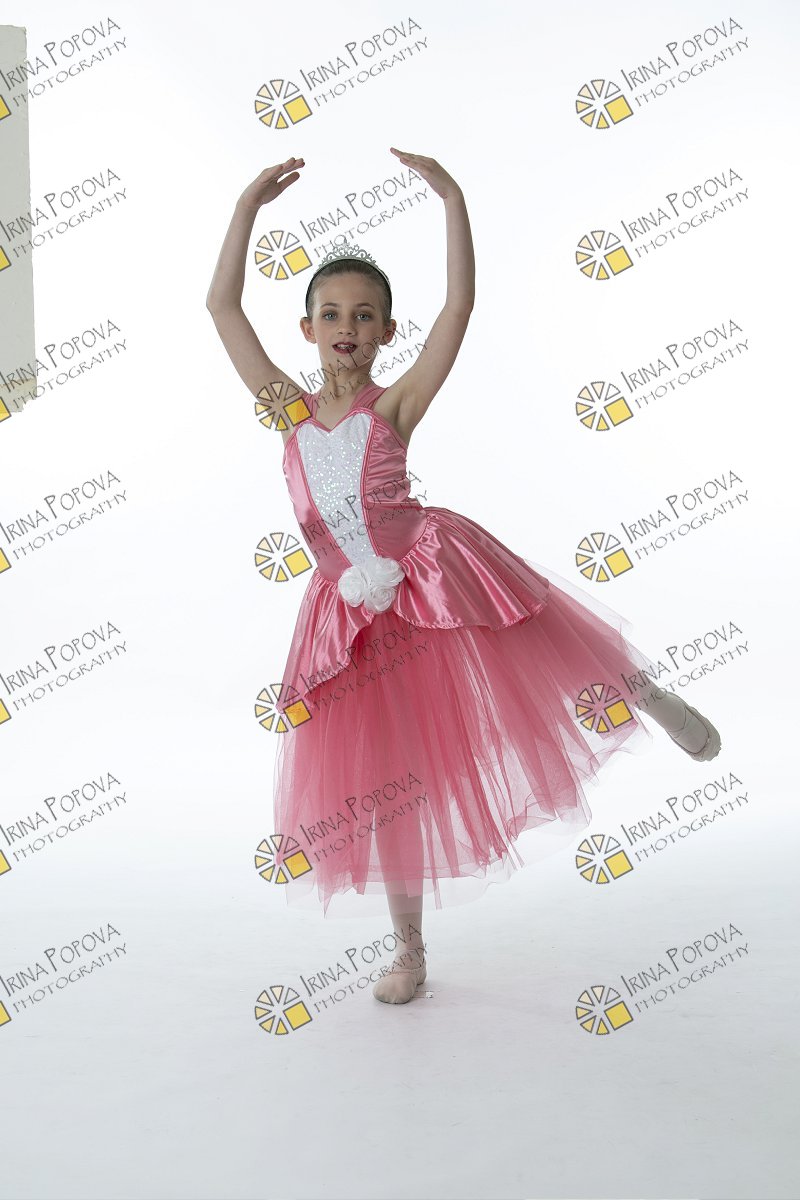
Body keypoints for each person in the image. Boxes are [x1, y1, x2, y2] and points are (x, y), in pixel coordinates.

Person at [206, 150, 722, 1006]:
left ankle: (649, 696)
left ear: (386, 332)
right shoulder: (286, 413)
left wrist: (451, 197)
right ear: (306, 330)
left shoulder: (393, 405)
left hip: (434, 570)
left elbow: (459, 308)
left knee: (545, 650)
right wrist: (244, 209)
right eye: (331, 313)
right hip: (351, 618)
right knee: (386, 784)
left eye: (365, 315)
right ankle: (408, 951)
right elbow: (222, 308)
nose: (346, 326)